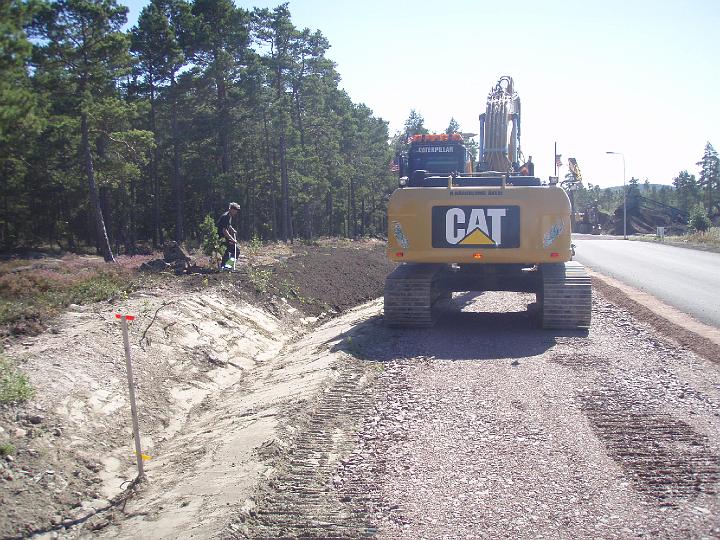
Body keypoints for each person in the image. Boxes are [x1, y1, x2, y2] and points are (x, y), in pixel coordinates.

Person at [217, 202, 240, 269]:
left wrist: (232, 230)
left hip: (225, 239)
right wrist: (233, 240)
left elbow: (228, 225)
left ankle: (227, 267)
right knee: (229, 253)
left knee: (235, 251)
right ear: (231, 209)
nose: (236, 212)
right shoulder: (225, 216)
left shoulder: (229, 216)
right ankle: (225, 268)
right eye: (235, 210)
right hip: (221, 239)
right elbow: (224, 231)